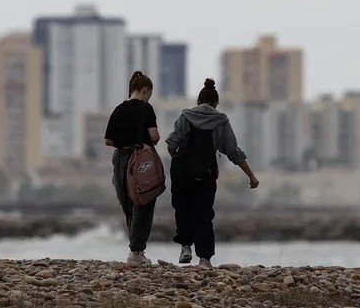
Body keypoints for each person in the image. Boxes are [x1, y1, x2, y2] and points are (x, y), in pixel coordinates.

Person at [165, 79, 259, 268]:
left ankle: (185, 247)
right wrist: (251, 175)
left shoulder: (185, 116)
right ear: (216, 104)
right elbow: (234, 152)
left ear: (199, 100)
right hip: (205, 175)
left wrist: (176, 158)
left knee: (183, 209)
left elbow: (172, 143)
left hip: (182, 174)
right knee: (204, 214)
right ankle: (205, 259)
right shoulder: (221, 121)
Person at [104, 71, 161, 265]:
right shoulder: (146, 108)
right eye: (149, 94)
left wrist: (124, 140)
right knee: (144, 200)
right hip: (139, 160)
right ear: (145, 90)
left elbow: (108, 140)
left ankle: (135, 250)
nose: (149, 97)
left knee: (128, 203)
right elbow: (154, 137)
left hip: (120, 158)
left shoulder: (118, 109)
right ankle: (136, 253)